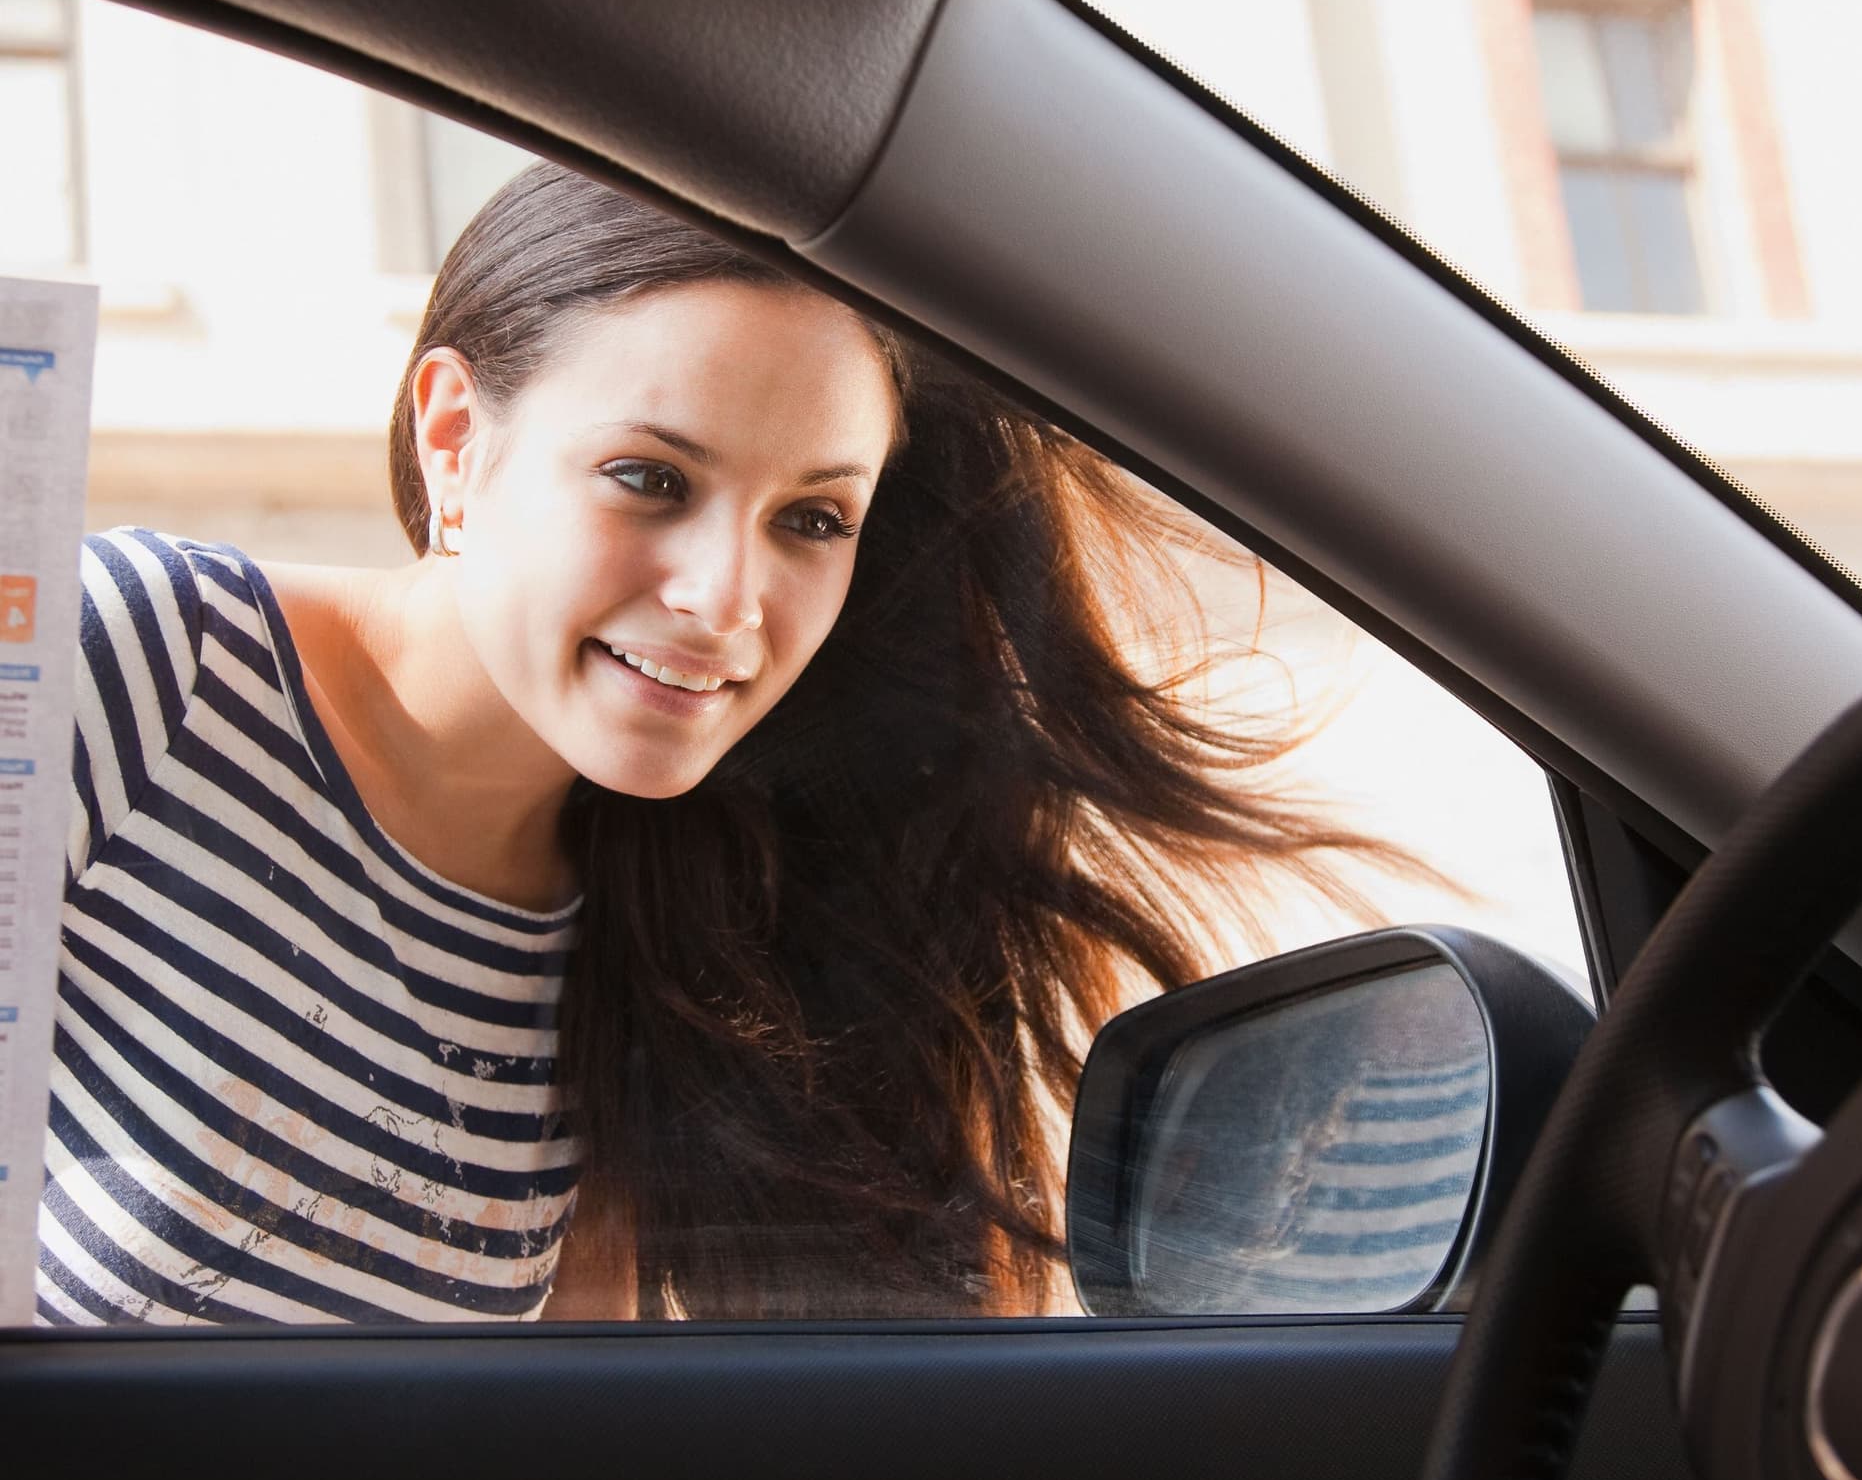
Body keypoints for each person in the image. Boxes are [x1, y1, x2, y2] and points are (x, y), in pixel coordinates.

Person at [40, 163, 1396, 1328]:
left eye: (812, 518)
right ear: (456, 439)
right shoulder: (134, 665)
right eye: (652, 480)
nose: (726, 601)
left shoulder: (670, 932)